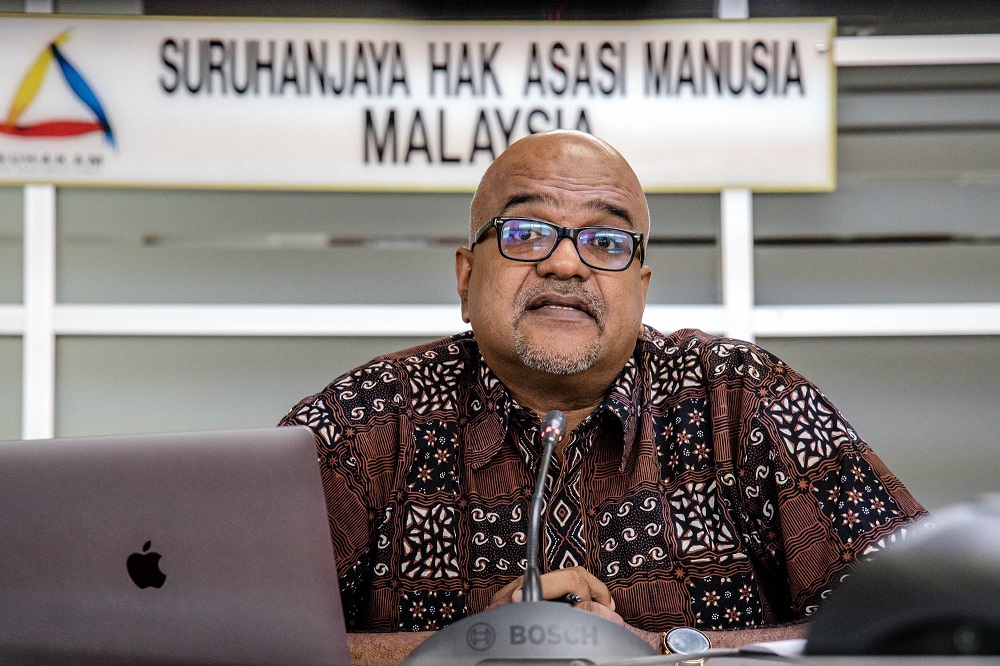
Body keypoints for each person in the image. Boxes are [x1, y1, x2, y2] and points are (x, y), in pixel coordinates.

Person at [279, 130, 927, 664]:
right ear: (467, 275)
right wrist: (475, 648)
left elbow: (917, 623)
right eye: (527, 232)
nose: (566, 265)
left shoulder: (743, 399)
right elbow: (232, 642)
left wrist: (656, 653)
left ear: (640, 287)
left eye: (607, 242)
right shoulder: (358, 425)